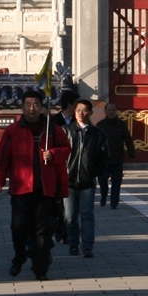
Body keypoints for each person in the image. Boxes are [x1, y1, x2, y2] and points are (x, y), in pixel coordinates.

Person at [0, 89, 70, 280]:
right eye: (28, 104)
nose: (32, 108)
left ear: (42, 107)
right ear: (22, 107)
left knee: (42, 230)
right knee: (18, 227)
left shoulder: (52, 129)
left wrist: (53, 154)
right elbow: (3, 157)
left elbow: (66, 149)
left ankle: (40, 268)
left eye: (36, 104)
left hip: (45, 188)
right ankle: (19, 257)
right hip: (21, 187)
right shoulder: (13, 130)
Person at [64, 98, 104, 257]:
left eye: (84, 110)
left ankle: (87, 246)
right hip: (69, 179)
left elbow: (104, 156)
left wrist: (96, 171)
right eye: (78, 110)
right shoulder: (65, 131)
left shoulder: (98, 134)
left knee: (87, 215)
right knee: (70, 216)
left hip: (88, 180)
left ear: (91, 113)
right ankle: (73, 244)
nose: (81, 113)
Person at [96, 102, 136, 209]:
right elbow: (95, 142)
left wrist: (131, 152)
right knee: (103, 179)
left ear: (116, 111)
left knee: (116, 181)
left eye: (113, 110)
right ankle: (103, 196)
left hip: (117, 158)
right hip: (104, 159)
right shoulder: (100, 125)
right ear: (105, 112)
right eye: (109, 110)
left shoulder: (121, 124)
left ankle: (114, 202)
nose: (111, 112)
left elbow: (128, 139)